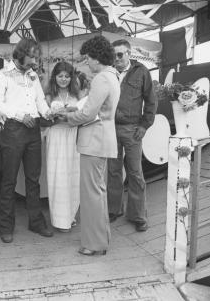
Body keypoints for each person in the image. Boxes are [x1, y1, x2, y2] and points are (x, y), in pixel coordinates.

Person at [58, 35, 120, 256]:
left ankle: (93, 244)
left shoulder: (102, 78)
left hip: (93, 140)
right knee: (98, 192)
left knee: (91, 194)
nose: (87, 63)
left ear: (97, 57)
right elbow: (97, 110)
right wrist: (74, 112)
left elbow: (88, 113)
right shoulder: (113, 76)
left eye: (88, 58)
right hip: (102, 139)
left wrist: (66, 117)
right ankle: (101, 240)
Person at [0, 39, 54, 243]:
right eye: (32, 56)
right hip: (14, 130)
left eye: (36, 57)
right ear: (20, 54)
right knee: (9, 180)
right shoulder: (3, 75)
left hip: (33, 129)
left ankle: (36, 222)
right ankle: (5, 226)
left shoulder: (33, 75)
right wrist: (18, 114)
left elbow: (40, 101)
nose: (35, 61)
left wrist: (48, 112)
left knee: (33, 180)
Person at [107, 39, 157, 232]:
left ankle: (138, 215)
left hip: (132, 129)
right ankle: (114, 209)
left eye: (120, 54)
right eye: (114, 55)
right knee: (113, 171)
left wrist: (145, 125)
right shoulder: (108, 72)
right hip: (111, 128)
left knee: (135, 173)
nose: (117, 58)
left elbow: (151, 101)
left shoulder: (142, 72)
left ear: (129, 54)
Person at [45, 62, 83, 233]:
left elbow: (83, 114)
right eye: (60, 76)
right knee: (57, 177)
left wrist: (71, 115)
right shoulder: (48, 95)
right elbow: (44, 117)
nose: (63, 79)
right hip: (55, 137)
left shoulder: (77, 95)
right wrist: (54, 116)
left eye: (67, 76)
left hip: (72, 137)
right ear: (54, 77)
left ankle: (71, 215)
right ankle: (60, 219)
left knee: (72, 176)